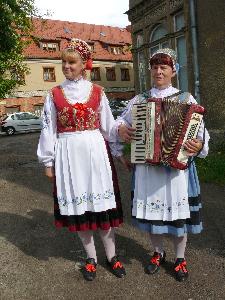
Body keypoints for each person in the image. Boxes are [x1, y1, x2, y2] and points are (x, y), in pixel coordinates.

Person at [114, 48, 210, 282]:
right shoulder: (140, 100)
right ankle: (158, 252)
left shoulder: (186, 99)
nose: (158, 71)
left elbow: (202, 133)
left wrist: (199, 144)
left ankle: (180, 258)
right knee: (152, 218)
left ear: (173, 71)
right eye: (155, 67)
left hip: (175, 172)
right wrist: (121, 129)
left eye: (163, 67)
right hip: (148, 170)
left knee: (178, 217)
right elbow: (119, 121)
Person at [37, 38, 126, 281]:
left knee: (102, 207)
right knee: (80, 209)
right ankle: (91, 258)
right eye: (63, 62)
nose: (66, 66)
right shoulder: (54, 94)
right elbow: (49, 129)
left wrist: (118, 152)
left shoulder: (98, 92)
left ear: (84, 63)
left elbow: (108, 127)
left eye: (72, 62)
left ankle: (112, 256)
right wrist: (48, 161)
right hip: (68, 156)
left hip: (96, 153)